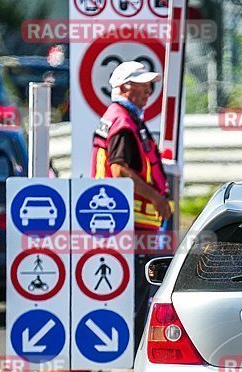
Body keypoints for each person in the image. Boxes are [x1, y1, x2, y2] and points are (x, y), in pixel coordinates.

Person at [91, 61, 173, 350]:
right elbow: (119, 170)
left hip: (123, 224)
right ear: (124, 88)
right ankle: (132, 360)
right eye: (143, 85)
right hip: (131, 226)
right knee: (137, 299)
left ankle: (127, 356)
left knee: (133, 296)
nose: (149, 91)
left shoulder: (122, 118)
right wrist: (158, 200)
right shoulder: (124, 122)